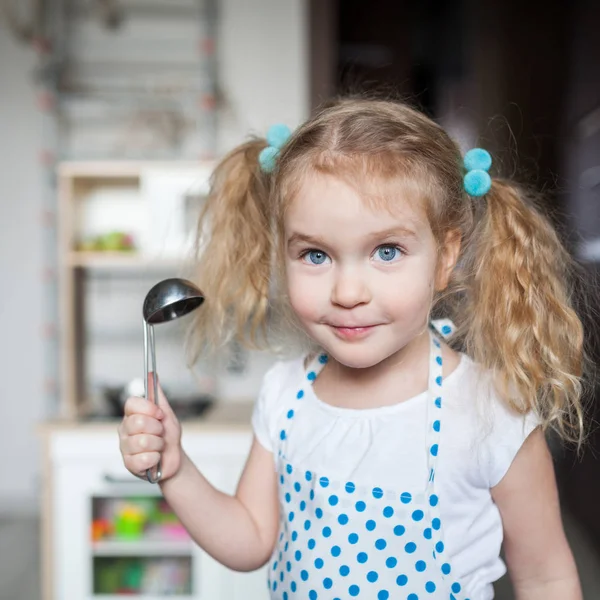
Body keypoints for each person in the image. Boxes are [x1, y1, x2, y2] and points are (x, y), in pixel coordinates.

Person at [118, 97, 587, 599]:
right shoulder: (286, 396)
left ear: (445, 257)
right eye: (315, 254)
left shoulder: (491, 413)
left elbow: (545, 577)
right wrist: (176, 469)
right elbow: (251, 540)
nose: (346, 292)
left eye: (387, 252)